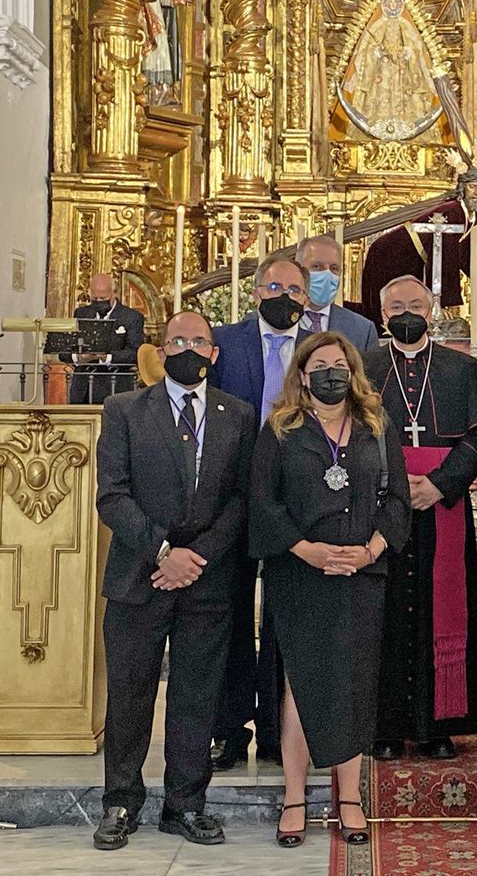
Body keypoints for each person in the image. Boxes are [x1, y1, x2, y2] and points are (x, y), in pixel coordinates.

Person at [92, 311, 257, 851]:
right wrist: (164, 551)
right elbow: (112, 495)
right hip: (139, 577)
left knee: (195, 695)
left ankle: (185, 803)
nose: (189, 348)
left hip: (207, 581)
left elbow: (240, 499)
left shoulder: (239, 414)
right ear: (161, 351)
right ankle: (121, 800)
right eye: (177, 340)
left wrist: (195, 557)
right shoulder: (123, 410)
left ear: (214, 353)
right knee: (130, 693)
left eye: (199, 341)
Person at [249, 332, 411, 848]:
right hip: (301, 574)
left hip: (363, 572)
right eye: (320, 365)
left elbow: (399, 501)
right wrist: (306, 550)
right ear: (302, 375)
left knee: (354, 683)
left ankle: (349, 799)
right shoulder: (279, 430)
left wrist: (371, 550)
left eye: (340, 364)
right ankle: (294, 798)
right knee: (303, 683)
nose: (331, 373)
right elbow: (263, 503)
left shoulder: (375, 426)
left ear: (354, 371)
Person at [363, 276, 477, 761]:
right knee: (387, 612)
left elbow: (476, 437)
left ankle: (440, 725)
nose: (407, 312)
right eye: (397, 305)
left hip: (443, 503)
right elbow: (354, 435)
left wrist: (439, 484)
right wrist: (396, 488)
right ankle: (387, 726)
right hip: (384, 505)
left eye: (416, 304)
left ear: (432, 309)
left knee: (442, 608)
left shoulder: (460, 369)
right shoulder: (367, 366)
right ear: (382, 313)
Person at [208, 254, 316, 771]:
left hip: (291, 501)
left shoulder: (317, 350)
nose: (285, 297)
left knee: (285, 615)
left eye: (295, 290)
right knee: (226, 613)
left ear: (307, 298)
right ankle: (229, 728)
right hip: (229, 496)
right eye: (275, 287)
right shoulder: (226, 342)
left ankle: (278, 731)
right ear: (255, 292)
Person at [68, 272, 145, 405]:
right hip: (83, 389)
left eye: (103, 298)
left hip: (115, 387)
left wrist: (106, 357)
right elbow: (66, 349)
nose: (98, 302)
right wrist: (80, 357)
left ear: (114, 293)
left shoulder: (131, 317)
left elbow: (135, 353)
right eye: (95, 298)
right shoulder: (81, 313)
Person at [297, 235, 380, 352]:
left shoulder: (363, 330)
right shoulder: (279, 319)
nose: (327, 274)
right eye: (317, 266)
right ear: (299, 270)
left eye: (334, 268)